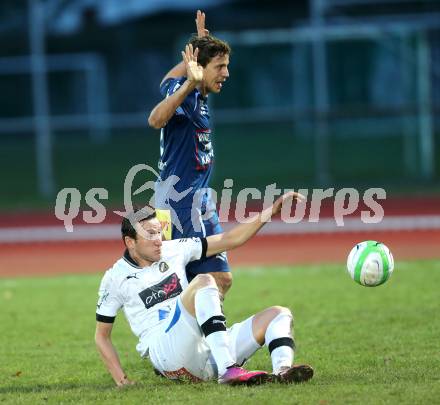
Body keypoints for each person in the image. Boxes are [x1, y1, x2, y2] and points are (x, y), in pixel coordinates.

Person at [95, 191, 314, 386]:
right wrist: (122, 381)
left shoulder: (174, 250)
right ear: (130, 242)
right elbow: (101, 336)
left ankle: (282, 371)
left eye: (159, 232)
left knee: (279, 314)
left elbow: (231, 239)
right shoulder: (115, 278)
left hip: (205, 353)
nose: (159, 240)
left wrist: (272, 210)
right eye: (150, 234)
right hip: (166, 354)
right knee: (203, 281)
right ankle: (229, 369)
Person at [147, 11, 233, 297]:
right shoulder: (188, 98)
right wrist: (189, 82)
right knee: (189, 283)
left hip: (199, 199)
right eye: (219, 66)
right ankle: (183, 337)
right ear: (202, 70)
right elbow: (155, 119)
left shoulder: (188, 91)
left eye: (226, 65)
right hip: (179, 202)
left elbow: (167, 78)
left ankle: (207, 334)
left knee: (220, 279)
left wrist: (196, 52)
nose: (226, 73)